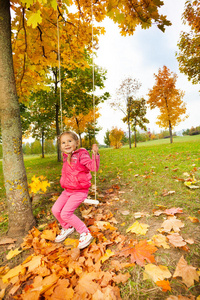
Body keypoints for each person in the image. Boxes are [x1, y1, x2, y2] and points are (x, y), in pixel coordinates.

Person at [52, 131, 100, 249]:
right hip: (67, 190)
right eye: (63, 142)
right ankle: (67, 227)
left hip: (79, 191)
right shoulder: (66, 156)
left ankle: (85, 233)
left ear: (77, 142)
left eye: (69, 141)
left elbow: (93, 167)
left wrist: (95, 154)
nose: (66, 144)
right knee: (56, 210)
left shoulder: (81, 155)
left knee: (66, 213)